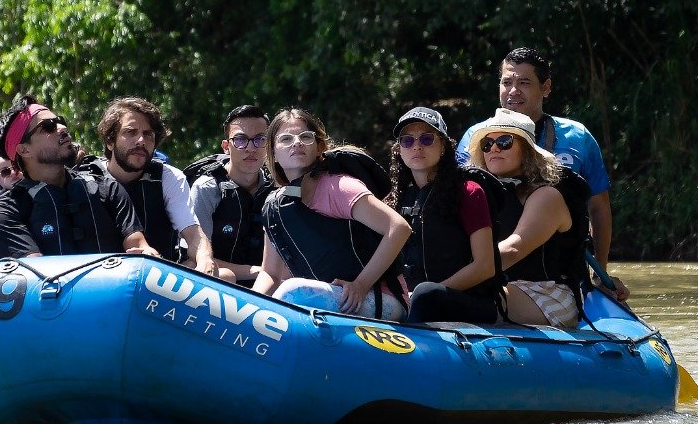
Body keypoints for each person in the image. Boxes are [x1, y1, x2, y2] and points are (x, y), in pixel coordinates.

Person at [456, 47, 615, 269]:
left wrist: (602, 270)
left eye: (524, 83)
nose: (513, 91)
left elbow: (598, 208)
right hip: (494, 256)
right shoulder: (476, 137)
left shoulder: (578, 137)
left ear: (546, 87)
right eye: (506, 83)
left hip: (561, 263)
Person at [469, 108, 626, 327]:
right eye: (487, 144)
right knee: (431, 294)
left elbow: (513, 250)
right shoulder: (480, 196)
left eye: (504, 141)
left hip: (547, 293)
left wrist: (458, 272)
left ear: (526, 150)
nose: (493, 148)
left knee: (442, 298)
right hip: (498, 284)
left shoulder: (547, 196)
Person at [254, 108, 411, 320]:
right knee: (290, 290)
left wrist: (360, 285)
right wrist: (249, 306)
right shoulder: (274, 207)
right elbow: (270, 274)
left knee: (295, 291)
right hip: (327, 300)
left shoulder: (339, 187)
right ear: (273, 153)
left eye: (306, 137)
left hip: (382, 299)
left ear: (319, 148)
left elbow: (399, 228)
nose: (297, 142)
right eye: (286, 139)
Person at [0, 95, 156, 258]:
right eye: (48, 127)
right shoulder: (4, 213)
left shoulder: (109, 189)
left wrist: (147, 253)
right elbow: (33, 275)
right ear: (24, 150)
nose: (62, 128)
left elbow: (138, 244)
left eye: (60, 121)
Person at [386, 107, 499, 324]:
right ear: (399, 149)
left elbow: (485, 266)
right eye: (407, 141)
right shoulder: (395, 200)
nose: (417, 146)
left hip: (466, 301)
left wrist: (424, 295)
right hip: (411, 300)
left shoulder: (469, 192)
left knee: (427, 294)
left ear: (444, 147)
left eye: (427, 139)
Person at [91, 97, 219, 278]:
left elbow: (193, 234)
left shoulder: (169, 178)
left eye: (148, 134)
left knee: (224, 275)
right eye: (130, 132)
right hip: (100, 281)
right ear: (110, 141)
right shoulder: (87, 181)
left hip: (159, 282)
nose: (141, 140)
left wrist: (205, 259)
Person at [188, 105, 274, 286]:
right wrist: (259, 271)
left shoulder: (277, 190)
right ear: (226, 147)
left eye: (260, 139)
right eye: (241, 140)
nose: (251, 148)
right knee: (226, 276)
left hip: (267, 284)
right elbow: (198, 259)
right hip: (216, 283)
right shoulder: (207, 189)